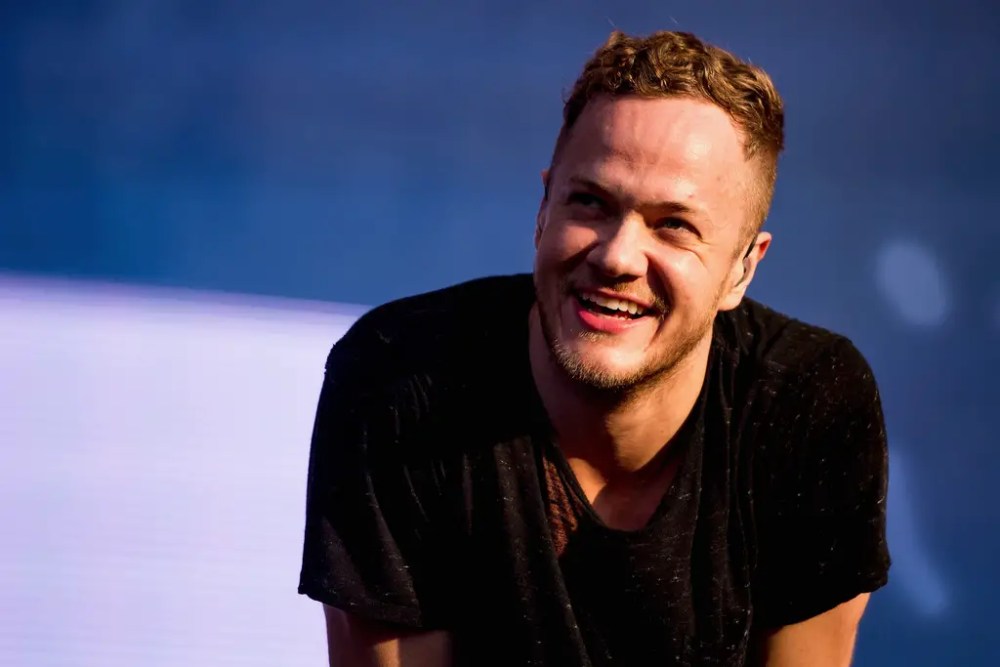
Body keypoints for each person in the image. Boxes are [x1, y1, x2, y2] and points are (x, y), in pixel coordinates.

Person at [297, 29, 890, 667]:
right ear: (543, 209)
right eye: (590, 203)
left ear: (742, 269)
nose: (617, 257)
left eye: (674, 226)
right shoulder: (399, 379)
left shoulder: (809, 402)